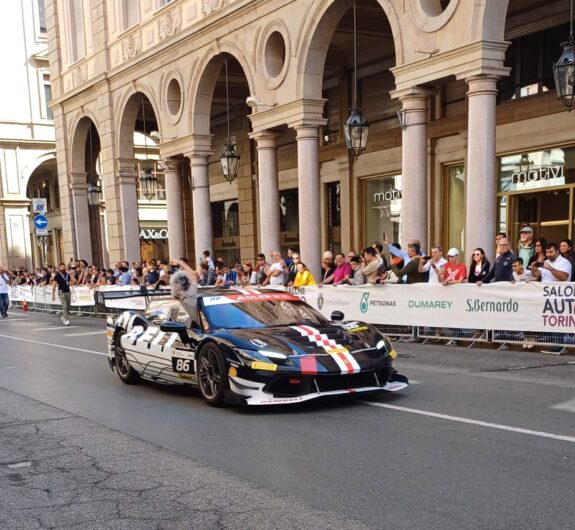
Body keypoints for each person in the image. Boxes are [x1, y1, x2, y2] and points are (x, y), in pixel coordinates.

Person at [169, 258, 199, 325]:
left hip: (183, 328)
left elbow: (173, 319)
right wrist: (180, 262)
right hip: (196, 327)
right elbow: (193, 274)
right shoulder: (192, 291)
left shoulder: (175, 296)